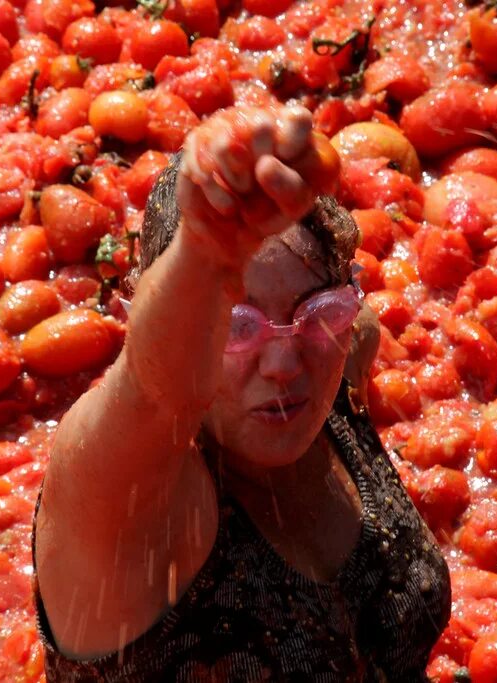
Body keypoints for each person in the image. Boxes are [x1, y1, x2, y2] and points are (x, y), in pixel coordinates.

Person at [32, 105, 450, 682]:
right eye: (235, 324)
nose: (283, 363)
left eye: (316, 313)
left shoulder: (343, 354)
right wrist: (206, 253)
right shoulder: (127, 503)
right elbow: (156, 388)